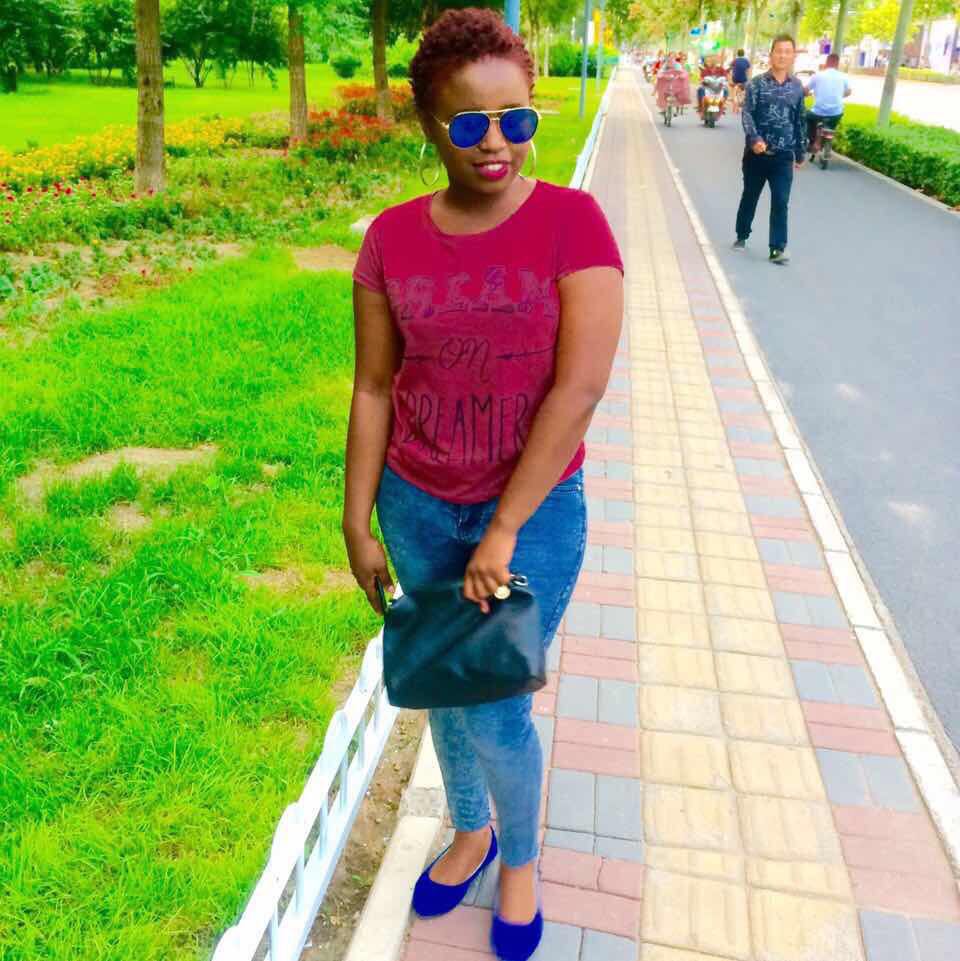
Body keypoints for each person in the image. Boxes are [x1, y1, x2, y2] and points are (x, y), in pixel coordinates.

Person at [343, 9, 624, 961]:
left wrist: (502, 529)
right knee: (445, 683)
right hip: (418, 505)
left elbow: (580, 389)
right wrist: (357, 517)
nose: (495, 141)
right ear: (429, 123)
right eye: (469, 123)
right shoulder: (390, 240)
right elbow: (373, 385)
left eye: (516, 119)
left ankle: (520, 860)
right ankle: (469, 830)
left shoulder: (573, 224)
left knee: (497, 703)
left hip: (533, 518)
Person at [733, 34, 807, 265]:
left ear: (793, 56)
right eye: (779, 51)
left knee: (781, 201)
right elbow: (747, 114)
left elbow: (799, 120)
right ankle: (742, 234)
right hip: (757, 155)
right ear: (771, 54)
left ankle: (777, 248)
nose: (782, 56)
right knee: (750, 196)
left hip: (783, 156)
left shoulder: (797, 87)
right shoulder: (756, 84)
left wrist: (800, 151)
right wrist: (754, 139)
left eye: (787, 51)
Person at [804, 52, 851, 159]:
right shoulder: (843, 76)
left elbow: (806, 89)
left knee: (807, 117)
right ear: (837, 64)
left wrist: (807, 94)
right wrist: (839, 95)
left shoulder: (817, 75)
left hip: (818, 112)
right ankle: (826, 140)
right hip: (836, 113)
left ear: (826, 63)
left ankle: (812, 142)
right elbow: (849, 92)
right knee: (831, 126)